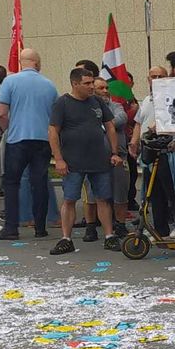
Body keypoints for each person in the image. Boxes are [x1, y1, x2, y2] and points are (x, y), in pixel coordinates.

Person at [47, 67, 124, 255]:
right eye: (87, 83)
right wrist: (58, 159)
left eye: (92, 83)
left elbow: (110, 126)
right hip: (73, 162)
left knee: (103, 199)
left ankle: (109, 236)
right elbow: (53, 131)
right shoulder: (62, 103)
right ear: (75, 84)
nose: (92, 87)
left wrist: (114, 152)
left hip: (99, 160)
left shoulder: (97, 101)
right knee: (70, 199)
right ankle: (66, 239)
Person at [0, 49, 57, 240]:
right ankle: (40, 227)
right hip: (42, 140)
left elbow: (2, 113)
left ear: (21, 63)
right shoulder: (49, 85)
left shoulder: (10, 81)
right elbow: (55, 116)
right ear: (37, 63)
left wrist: (7, 129)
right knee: (40, 183)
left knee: (12, 183)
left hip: (17, 139)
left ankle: (11, 227)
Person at [131, 65, 175, 238]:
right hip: (150, 152)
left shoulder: (171, 98)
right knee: (154, 193)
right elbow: (138, 122)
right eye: (153, 77)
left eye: (160, 76)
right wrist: (134, 142)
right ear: (148, 80)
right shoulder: (147, 100)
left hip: (168, 152)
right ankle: (160, 229)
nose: (156, 80)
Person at [80, 79, 131, 242]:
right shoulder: (85, 107)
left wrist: (101, 126)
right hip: (91, 158)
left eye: (107, 87)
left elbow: (121, 118)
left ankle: (121, 225)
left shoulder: (116, 106)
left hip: (117, 158)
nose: (106, 91)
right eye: (101, 88)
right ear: (92, 90)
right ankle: (90, 226)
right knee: (91, 195)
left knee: (120, 192)